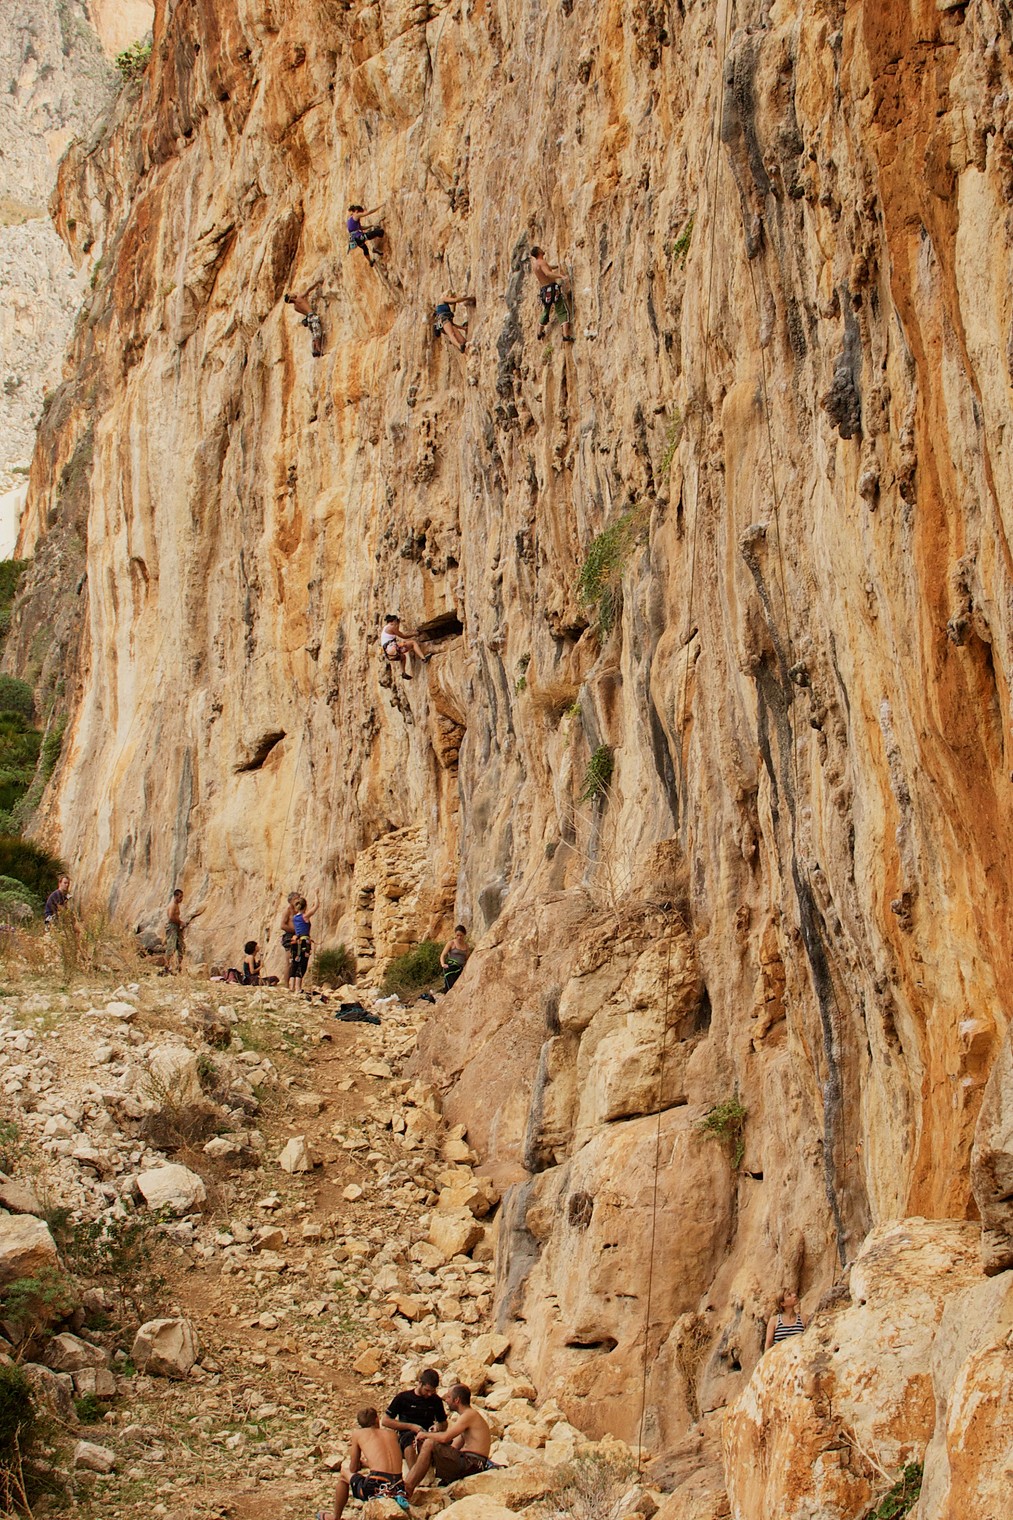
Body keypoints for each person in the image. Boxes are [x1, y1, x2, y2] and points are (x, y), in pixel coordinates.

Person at [402, 1384, 497, 1498]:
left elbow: (445, 1437)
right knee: (428, 1444)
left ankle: (406, 1489)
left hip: (473, 1463)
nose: (446, 1400)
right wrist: (432, 1444)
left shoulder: (469, 1415)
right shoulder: (467, 1417)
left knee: (429, 1443)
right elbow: (453, 1447)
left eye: (448, 1397)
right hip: (469, 1462)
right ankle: (406, 1486)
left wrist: (426, 1435)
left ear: (457, 1400)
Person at [320, 1407, 407, 1520]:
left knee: (344, 1474)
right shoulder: (392, 1434)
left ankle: (335, 1517)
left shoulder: (358, 1434)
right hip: (399, 1486)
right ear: (377, 1419)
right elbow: (386, 1467)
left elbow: (353, 1468)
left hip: (376, 1486)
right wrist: (367, 1464)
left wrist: (359, 1464)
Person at [382, 1369, 447, 1463]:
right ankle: (413, 1470)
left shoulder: (436, 1400)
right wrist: (411, 1426)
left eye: (432, 1391)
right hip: (407, 1436)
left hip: (428, 1434)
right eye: (427, 1390)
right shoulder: (403, 1398)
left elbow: (444, 1423)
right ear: (420, 1383)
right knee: (410, 1439)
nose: (429, 1394)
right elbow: (385, 1421)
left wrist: (438, 1426)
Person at [529, 246, 573, 341]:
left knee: (546, 309)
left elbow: (545, 269)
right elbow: (548, 273)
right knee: (562, 310)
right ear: (538, 252)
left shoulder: (536, 265)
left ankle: (539, 332)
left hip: (544, 291)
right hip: (552, 289)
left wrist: (555, 267)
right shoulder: (542, 262)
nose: (542, 249)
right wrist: (561, 276)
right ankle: (566, 335)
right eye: (540, 249)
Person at [381, 615, 430, 680]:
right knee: (413, 643)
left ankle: (403, 673)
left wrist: (398, 623)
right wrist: (415, 634)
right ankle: (423, 658)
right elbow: (403, 636)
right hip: (392, 649)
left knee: (403, 657)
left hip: (389, 654)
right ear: (394, 621)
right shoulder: (391, 627)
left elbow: (397, 632)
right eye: (396, 622)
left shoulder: (386, 628)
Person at [288, 896, 316, 992]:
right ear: (305, 906)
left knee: (295, 963)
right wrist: (316, 895)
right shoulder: (305, 917)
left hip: (296, 941)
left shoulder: (295, 917)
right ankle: (298, 988)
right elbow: (316, 907)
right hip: (304, 942)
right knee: (302, 963)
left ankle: (291, 987)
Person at [284, 291, 324, 357]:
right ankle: (318, 349)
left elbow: (304, 311)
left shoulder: (295, 308)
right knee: (317, 333)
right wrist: (315, 284)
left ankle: (314, 350)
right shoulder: (299, 298)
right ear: (290, 297)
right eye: (291, 294)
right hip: (312, 316)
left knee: (313, 334)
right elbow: (308, 290)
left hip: (308, 319)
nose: (294, 293)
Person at [439, 926, 470, 992]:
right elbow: (443, 955)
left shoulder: (466, 946)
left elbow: (467, 958)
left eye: (461, 935)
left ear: (464, 935)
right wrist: (443, 964)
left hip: (460, 968)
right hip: (451, 967)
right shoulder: (451, 943)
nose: (459, 937)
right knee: (450, 987)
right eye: (457, 935)